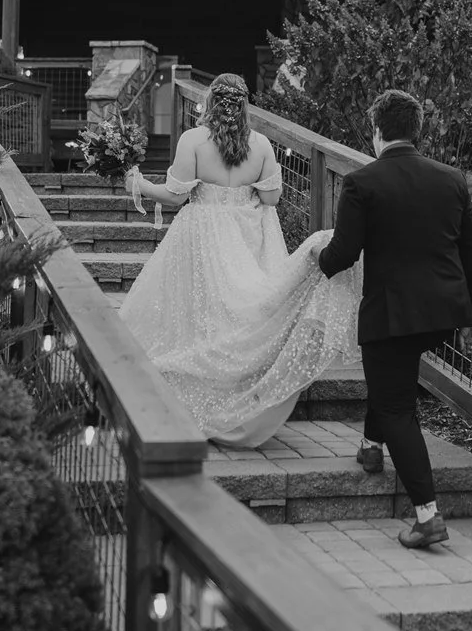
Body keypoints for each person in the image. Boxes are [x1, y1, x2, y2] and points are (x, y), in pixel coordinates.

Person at [121, 74, 363, 447]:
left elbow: (172, 196)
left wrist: (137, 182)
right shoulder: (263, 145)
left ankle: (195, 399)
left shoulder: (193, 141)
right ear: (245, 105)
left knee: (201, 317)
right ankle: (241, 404)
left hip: (201, 236)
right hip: (247, 238)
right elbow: (270, 200)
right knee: (243, 317)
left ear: (210, 103)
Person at [318, 89, 472, 549]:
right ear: (417, 131)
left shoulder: (361, 183)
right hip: (441, 314)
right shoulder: (451, 179)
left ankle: (428, 516)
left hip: (392, 315)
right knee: (389, 376)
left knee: (397, 407)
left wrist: (318, 260)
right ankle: (371, 449)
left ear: (376, 133)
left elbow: (344, 253)